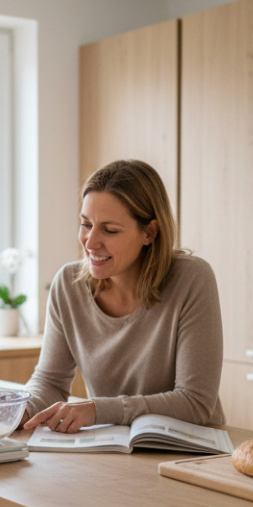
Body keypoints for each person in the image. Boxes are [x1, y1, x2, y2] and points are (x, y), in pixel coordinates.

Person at [22, 158, 225, 434]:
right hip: (114, 447)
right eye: (85, 224)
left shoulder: (192, 279)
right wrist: (22, 408)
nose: (90, 242)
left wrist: (96, 410)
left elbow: (195, 402)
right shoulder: (68, 285)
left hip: (188, 450)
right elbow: (50, 381)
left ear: (149, 233)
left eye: (110, 230)